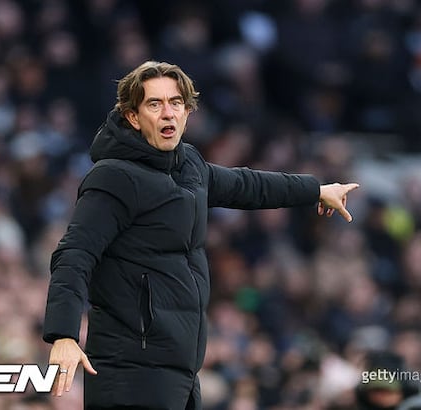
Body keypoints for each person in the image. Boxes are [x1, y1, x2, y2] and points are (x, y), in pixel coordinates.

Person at [42, 60, 360, 410]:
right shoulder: (114, 177)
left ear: (187, 112)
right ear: (133, 116)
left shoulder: (189, 165)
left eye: (176, 103)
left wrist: (316, 190)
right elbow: (75, 254)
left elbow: (247, 185)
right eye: (154, 104)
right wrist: (64, 334)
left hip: (180, 370)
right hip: (130, 369)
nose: (168, 113)